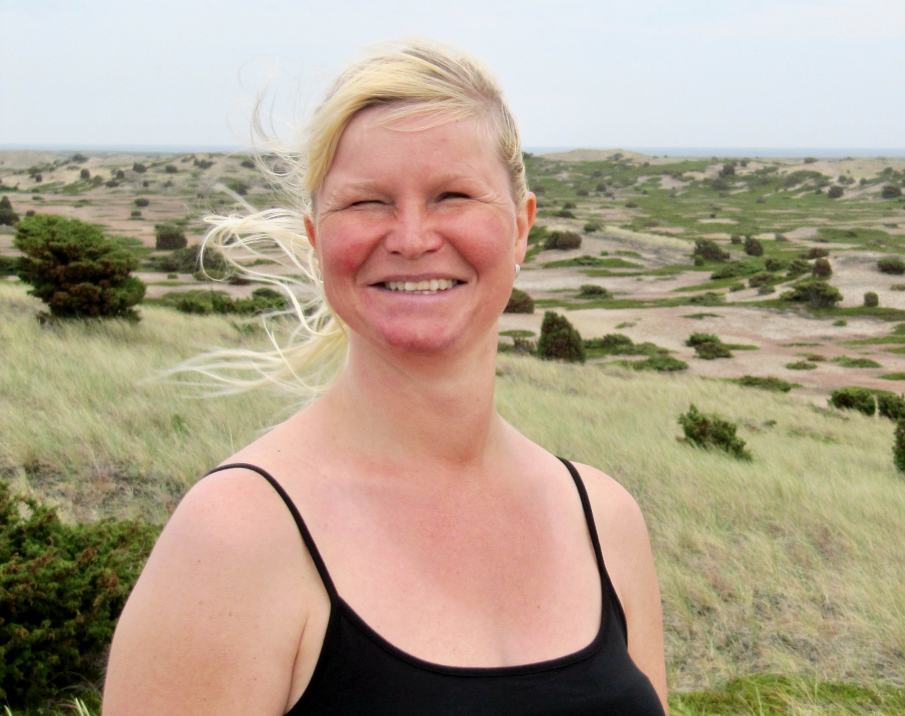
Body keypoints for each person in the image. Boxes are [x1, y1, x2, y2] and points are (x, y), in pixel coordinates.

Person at [102, 40, 668, 715]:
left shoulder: (603, 521)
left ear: (520, 227)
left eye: (452, 195)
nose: (410, 236)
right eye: (368, 203)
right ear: (317, 242)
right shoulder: (236, 539)